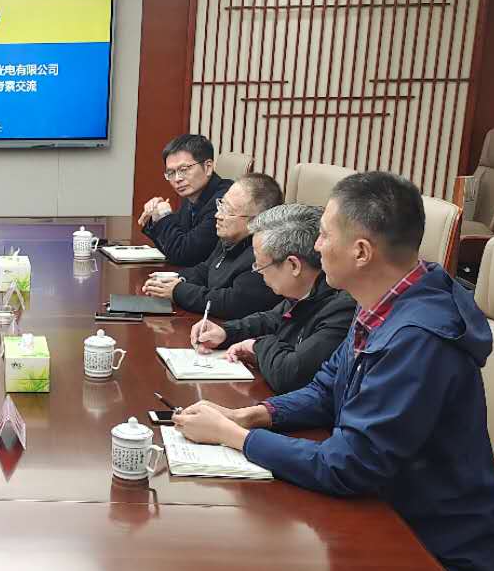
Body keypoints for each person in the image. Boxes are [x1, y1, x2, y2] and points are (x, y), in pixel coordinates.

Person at [173, 171, 494, 571]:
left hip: (436, 561)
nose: (314, 246)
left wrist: (235, 437)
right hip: (389, 519)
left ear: (361, 251)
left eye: (325, 235)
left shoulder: (418, 337)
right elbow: (326, 388)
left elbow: (347, 465)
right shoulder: (385, 303)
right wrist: (254, 414)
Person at [188, 203, 355, 394]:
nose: (257, 271)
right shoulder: (306, 290)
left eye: (260, 265)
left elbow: (291, 375)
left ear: (293, 266)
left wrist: (257, 346)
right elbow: (272, 320)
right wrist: (226, 332)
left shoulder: (343, 307)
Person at [141, 173, 283, 318]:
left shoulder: (263, 254)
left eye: (228, 211)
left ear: (257, 220)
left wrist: (177, 291)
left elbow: (232, 303)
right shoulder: (232, 238)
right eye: (221, 205)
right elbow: (206, 270)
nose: (218, 215)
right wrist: (174, 279)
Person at [138, 133, 232, 266]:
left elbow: (185, 254)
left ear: (208, 167)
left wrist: (164, 216)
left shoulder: (223, 202)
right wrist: (156, 217)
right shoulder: (193, 194)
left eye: (184, 169)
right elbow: (173, 243)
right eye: (171, 173)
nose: (177, 179)